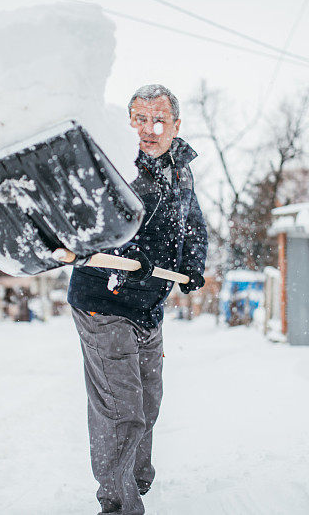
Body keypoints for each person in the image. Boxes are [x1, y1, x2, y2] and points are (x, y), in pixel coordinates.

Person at [67, 84, 208, 515]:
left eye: (159, 119)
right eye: (139, 119)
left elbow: (192, 221)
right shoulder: (113, 162)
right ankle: (118, 504)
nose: (149, 129)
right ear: (125, 123)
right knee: (121, 406)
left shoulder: (180, 170)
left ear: (175, 126)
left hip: (148, 304)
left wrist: (193, 263)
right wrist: (131, 255)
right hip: (102, 299)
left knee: (148, 400)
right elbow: (90, 225)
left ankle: (137, 481)